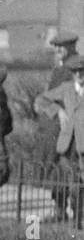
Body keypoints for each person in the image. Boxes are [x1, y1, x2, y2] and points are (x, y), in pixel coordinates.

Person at [38, 52, 84, 221]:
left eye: (83, 71)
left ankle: (78, 219)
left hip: (82, 146)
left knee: (78, 185)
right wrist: (58, 111)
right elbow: (42, 99)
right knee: (62, 181)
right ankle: (62, 213)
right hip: (66, 145)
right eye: (76, 72)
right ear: (72, 74)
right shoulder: (66, 88)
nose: (80, 75)